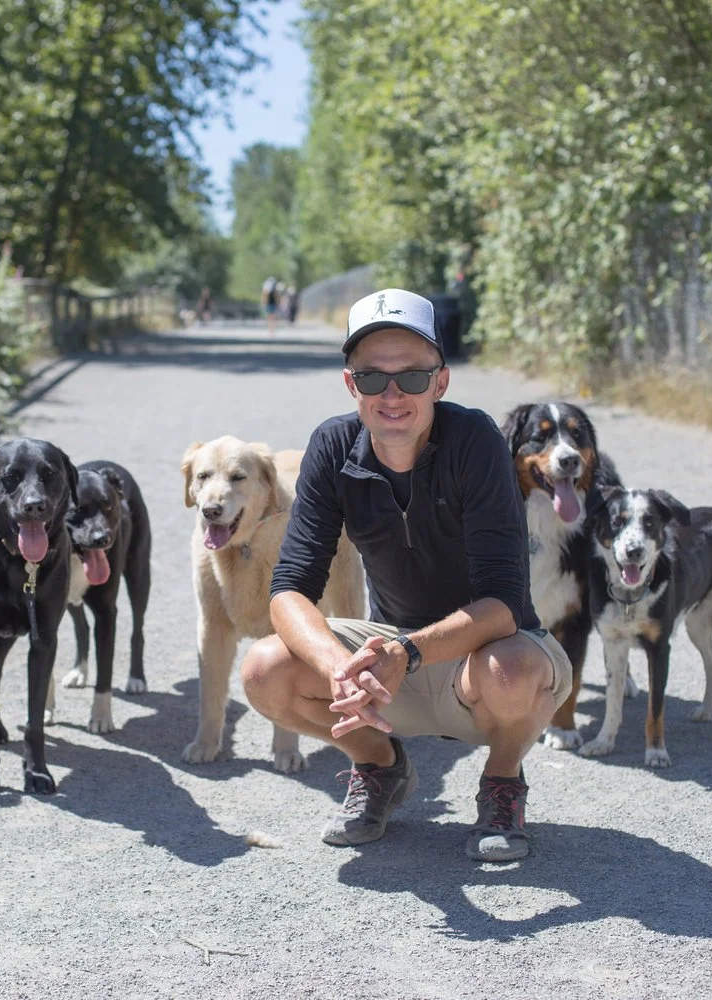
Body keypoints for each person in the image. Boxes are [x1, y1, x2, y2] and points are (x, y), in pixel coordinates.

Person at [240, 287, 571, 862]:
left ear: (440, 382)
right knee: (264, 668)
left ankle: (501, 782)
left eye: (412, 378)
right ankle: (380, 767)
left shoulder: (476, 442)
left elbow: (504, 604)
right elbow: (289, 588)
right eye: (372, 378)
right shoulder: (332, 445)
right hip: (390, 658)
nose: (392, 394)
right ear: (351, 385)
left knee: (512, 668)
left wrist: (407, 655)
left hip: (485, 657)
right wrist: (340, 668)